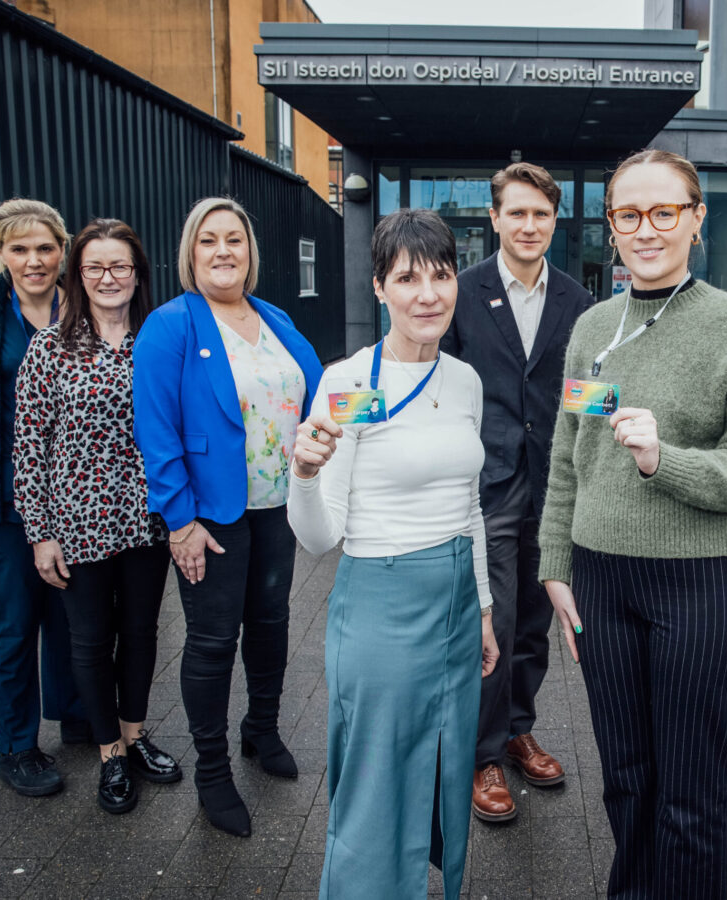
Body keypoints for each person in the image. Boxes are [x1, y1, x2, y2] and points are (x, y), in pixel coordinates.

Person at [538, 149, 727, 898]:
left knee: (690, 786)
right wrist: (555, 562)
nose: (645, 230)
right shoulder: (592, 327)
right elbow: (566, 455)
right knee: (625, 776)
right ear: (611, 225)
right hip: (600, 580)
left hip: (698, 583)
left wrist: (663, 460)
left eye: (663, 212)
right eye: (627, 215)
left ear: (696, 219)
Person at [288, 208, 500, 899]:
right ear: (380, 288)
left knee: (444, 761)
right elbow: (320, 537)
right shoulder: (348, 382)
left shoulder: (464, 382)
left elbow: (470, 508)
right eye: (407, 278)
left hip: (456, 602)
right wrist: (305, 474)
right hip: (379, 600)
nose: (428, 293)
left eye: (440, 275)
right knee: (377, 781)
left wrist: (486, 608)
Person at [132, 197, 322, 837]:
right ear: (191, 252)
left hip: (278, 507)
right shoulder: (171, 325)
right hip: (211, 517)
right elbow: (155, 431)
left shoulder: (274, 316)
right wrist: (179, 522)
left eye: (234, 240)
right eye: (209, 240)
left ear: (249, 251)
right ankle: (212, 771)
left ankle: (260, 730)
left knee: (271, 624)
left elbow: (317, 391)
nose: (223, 251)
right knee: (213, 642)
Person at [440, 162, 593, 822]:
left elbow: (588, 388)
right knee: (493, 624)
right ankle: (483, 757)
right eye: (518, 213)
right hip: (490, 481)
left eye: (542, 215)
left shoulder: (578, 301)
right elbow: (440, 380)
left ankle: (517, 728)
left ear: (553, 223)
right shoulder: (461, 292)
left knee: (535, 620)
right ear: (495, 218)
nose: (530, 225)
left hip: (555, 484)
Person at [12, 218, 182, 813]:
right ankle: (109, 753)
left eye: (120, 266)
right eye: (95, 267)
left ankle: (135, 735)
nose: (109, 277)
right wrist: (41, 534)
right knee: (89, 640)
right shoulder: (50, 346)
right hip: (78, 519)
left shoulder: (161, 339)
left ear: (138, 273)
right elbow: (30, 445)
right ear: (78, 276)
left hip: (148, 516)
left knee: (139, 631)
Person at [0, 198, 85, 797]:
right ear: (0, 253)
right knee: (13, 620)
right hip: (0, 502)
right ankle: (17, 746)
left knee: (73, 615)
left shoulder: (83, 310)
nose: (33, 260)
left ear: (62, 251)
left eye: (44, 248)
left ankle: (77, 715)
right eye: (18, 249)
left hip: (77, 498)